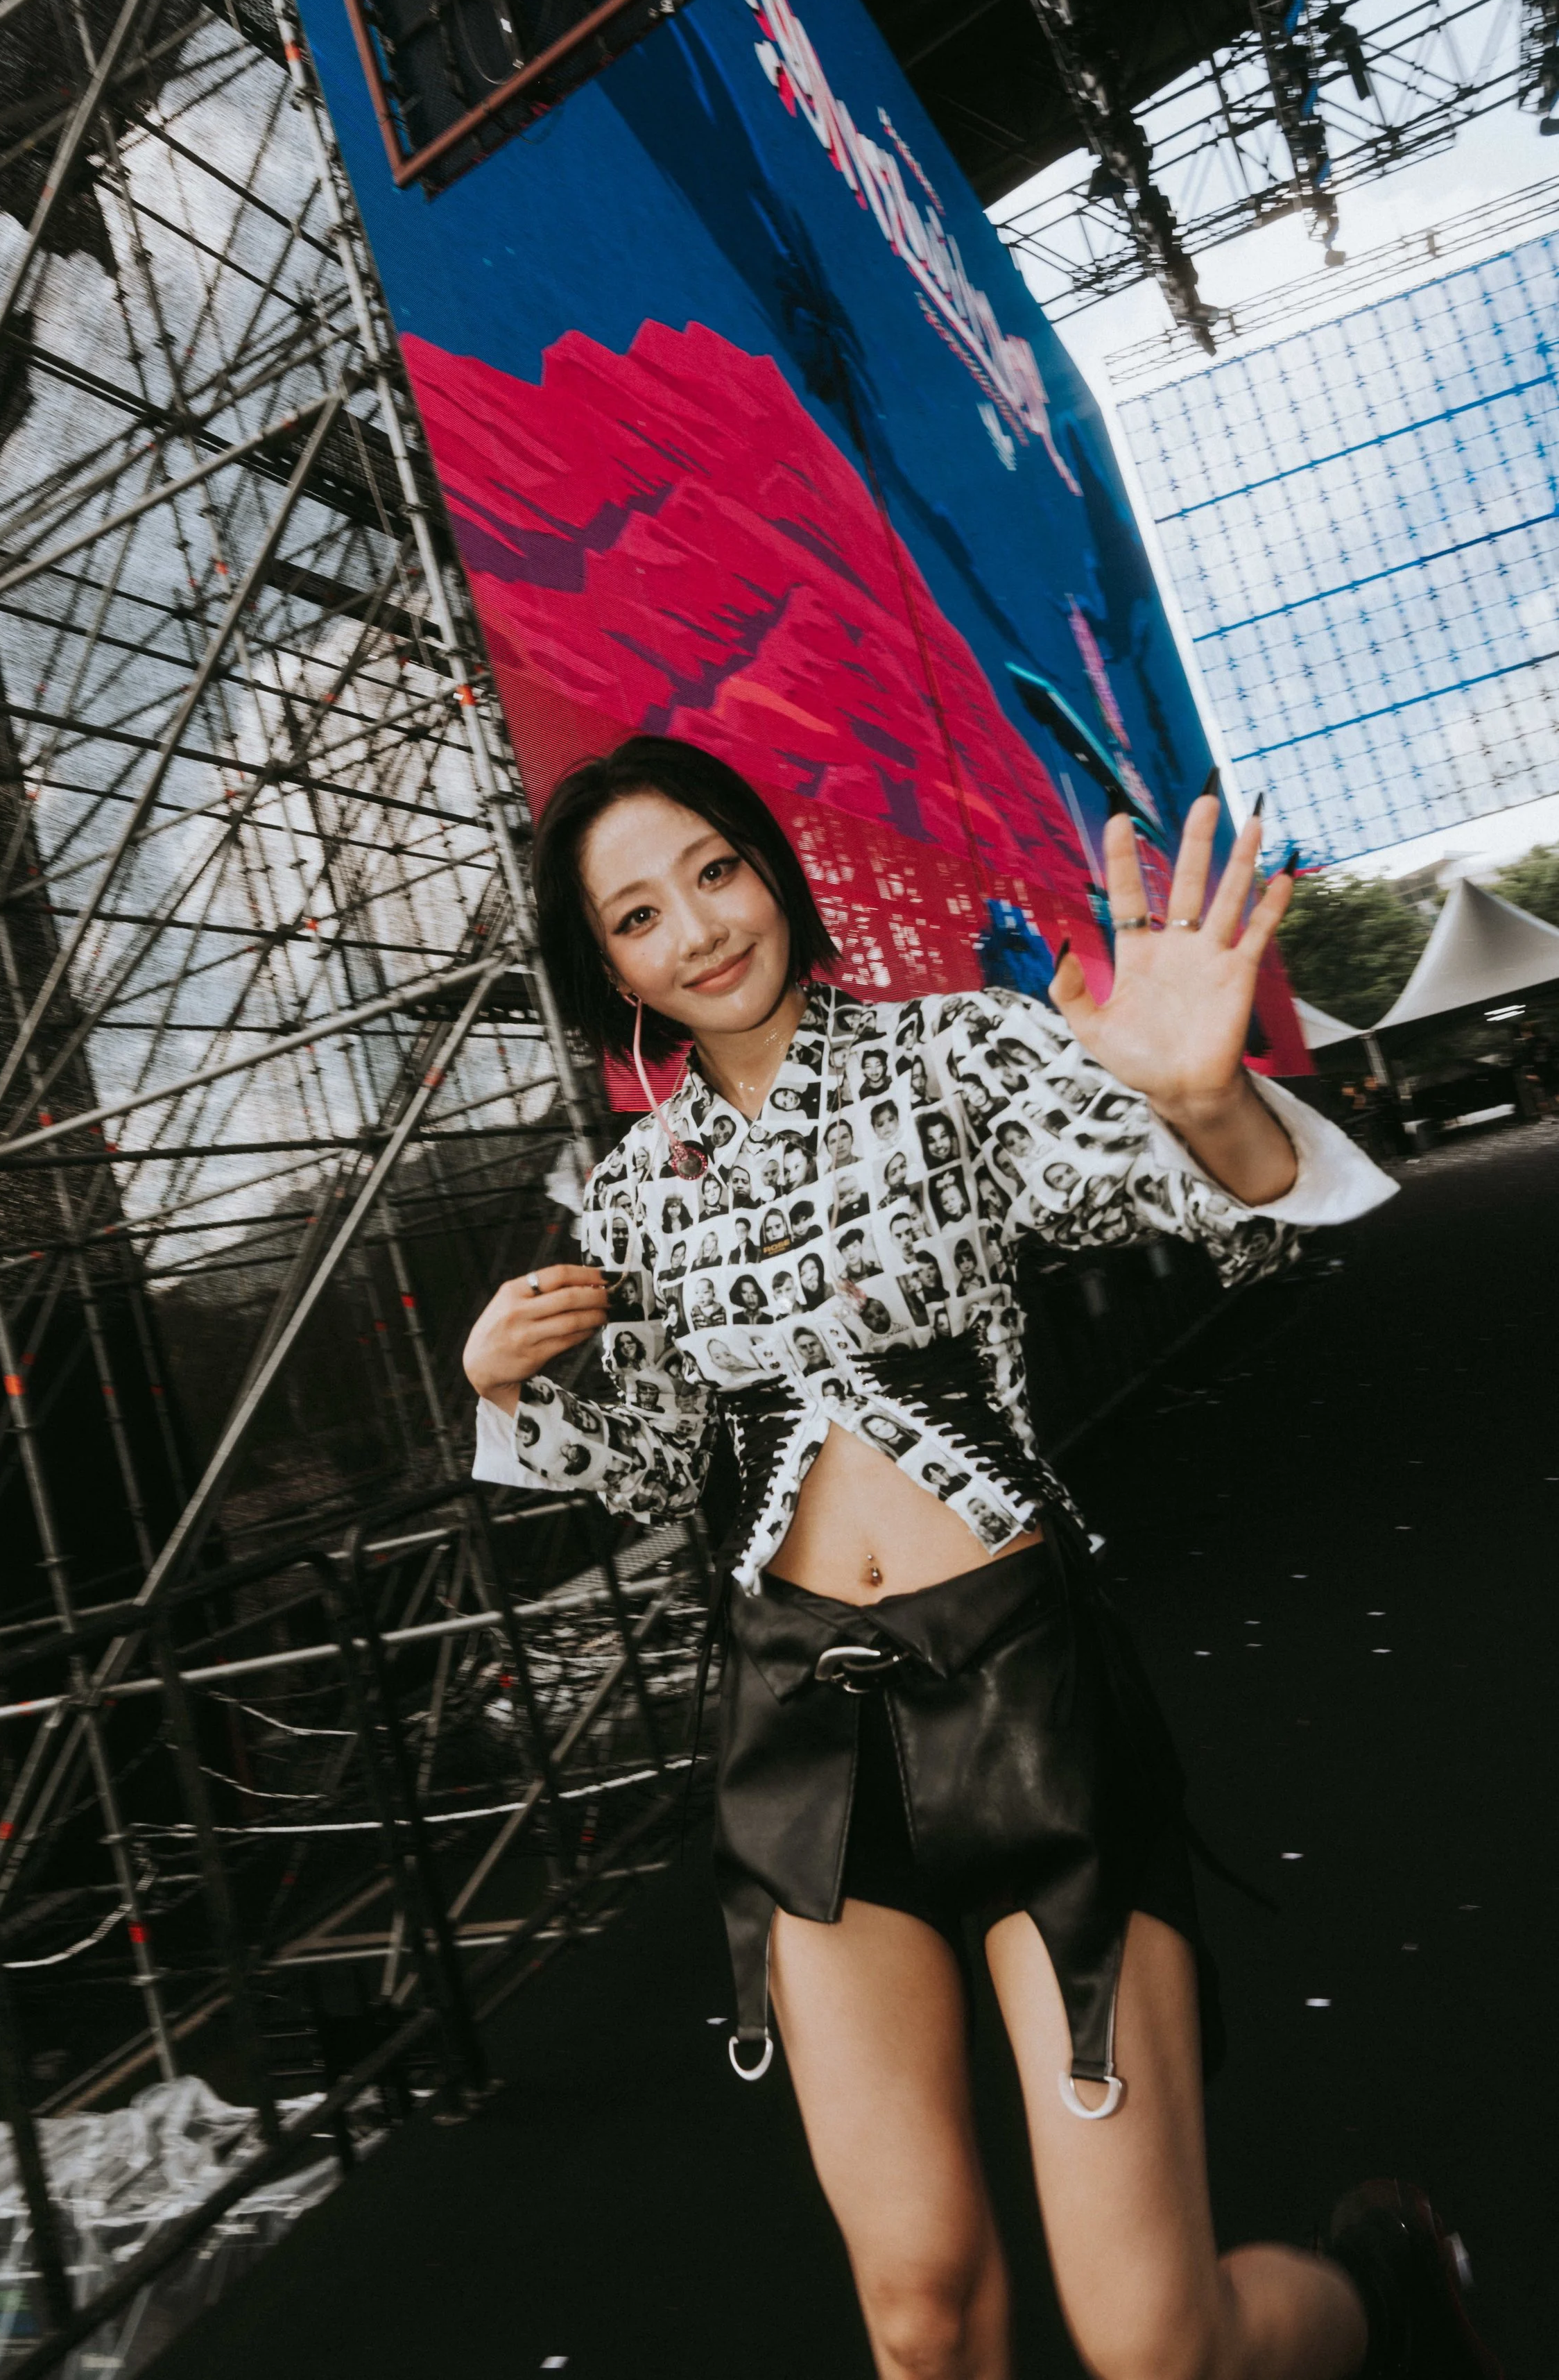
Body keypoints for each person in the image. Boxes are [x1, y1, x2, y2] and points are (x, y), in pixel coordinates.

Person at [463, 734, 1492, 2380]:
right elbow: (659, 1457)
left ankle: (1377, 2294)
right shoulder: (635, 1196)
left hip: (1024, 1693)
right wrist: (505, 1390)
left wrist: (1205, 1095)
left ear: (770, 867)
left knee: (1156, 2343)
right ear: (610, 972)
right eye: (637, 915)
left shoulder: (951, 1057)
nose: (699, 929)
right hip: (800, 1736)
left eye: (714, 868)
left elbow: (1204, 1205)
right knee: (918, 2315)